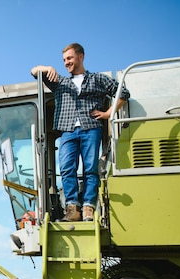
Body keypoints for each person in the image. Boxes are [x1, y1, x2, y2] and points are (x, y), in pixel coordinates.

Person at [31, 43, 130, 221]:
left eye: (69, 58)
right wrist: (47, 68)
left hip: (90, 128)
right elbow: (34, 71)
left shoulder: (98, 79)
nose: (66, 62)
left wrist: (108, 113)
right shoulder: (60, 81)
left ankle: (88, 208)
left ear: (81, 56)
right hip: (67, 130)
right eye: (63, 60)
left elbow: (123, 92)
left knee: (90, 169)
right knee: (67, 168)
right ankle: (72, 208)